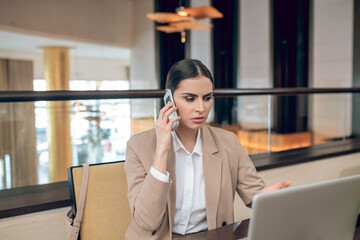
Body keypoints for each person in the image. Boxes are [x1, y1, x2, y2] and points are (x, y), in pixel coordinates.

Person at [124, 59, 290, 239]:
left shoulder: (228, 142)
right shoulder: (138, 146)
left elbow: (254, 195)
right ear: (169, 98)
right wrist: (162, 149)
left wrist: (267, 197)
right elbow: (147, 221)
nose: (201, 108)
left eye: (207, 98)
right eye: (190, 99)